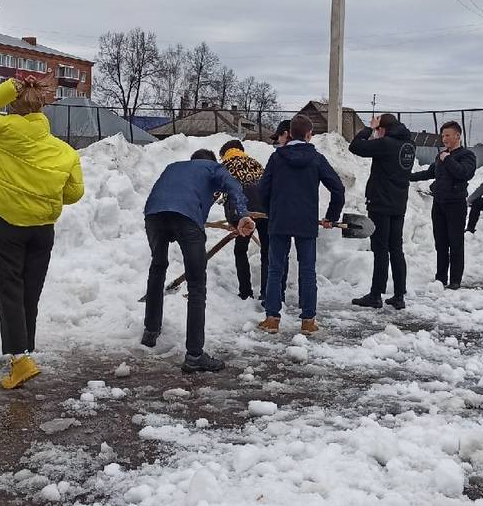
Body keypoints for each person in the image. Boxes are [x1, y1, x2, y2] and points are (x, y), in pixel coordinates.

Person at [0, 72, 85, 390]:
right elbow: (74, 194)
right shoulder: (64, 152)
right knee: (30, 291)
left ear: (13, 107)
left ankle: (20, 360)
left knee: (9, 290)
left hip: (7, 225)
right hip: (42, 230)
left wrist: (12, 85)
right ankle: (26, 351)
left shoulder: (2, 131)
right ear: (41, 110)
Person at [143, 150, 255, 372]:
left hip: (154, 214)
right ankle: (195, 355)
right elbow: (234, 187)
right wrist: (242, 214)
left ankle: (150, 332)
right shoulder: (213, 168)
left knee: (158, 267)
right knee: (196, 284)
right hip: (186, 218)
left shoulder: (173, 166)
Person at [259, 115, 344, 335]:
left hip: (279, 220)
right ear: (308, 134)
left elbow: (263, 189)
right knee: (307, 271)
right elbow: (338, 188)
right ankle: (308, 321)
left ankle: (271, 319)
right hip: (306, 221)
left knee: (276, 269)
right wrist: (331, 216)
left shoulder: (277, 158)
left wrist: (270, 211)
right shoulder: (316, 158)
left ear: (288, 134)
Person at [348, 113, 414, 310]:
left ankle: (376, 294)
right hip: (399, 203)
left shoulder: (386, 144)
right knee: (396, 249)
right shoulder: (408, 145)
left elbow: (356, 146)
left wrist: (370, 129)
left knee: (380, 249)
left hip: (380, 203)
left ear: (382, 129)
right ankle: (399, 295)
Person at [410, 121, 477, 289]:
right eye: (443, 136)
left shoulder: (467, 155)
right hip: (439, 203)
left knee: (455, 243)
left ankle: (455, 280)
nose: (444, 139)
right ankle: (440, 278)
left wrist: (448, 159)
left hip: (456, 204)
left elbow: (464, 174)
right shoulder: (441, 156)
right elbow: (428, 173)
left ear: (458, 136)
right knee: (440, 242)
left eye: (447, 135)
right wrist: (406, 176)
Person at [215, 140, 276, 301]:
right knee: (267, 251)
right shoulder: (255, 163)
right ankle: (267, 293)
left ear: (224, 154)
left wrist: (232, 220)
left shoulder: (225, 166)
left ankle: (245, 292)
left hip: (244, 214)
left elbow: (223, 194)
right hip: (266, 211)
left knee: (240, 250)